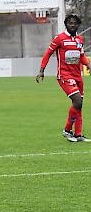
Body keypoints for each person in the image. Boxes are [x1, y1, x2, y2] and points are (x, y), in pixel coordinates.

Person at [37, 14, 90, 142]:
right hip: (64, 75)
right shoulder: (59, 38)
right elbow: (48, 54)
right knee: (77, 101)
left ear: (78, 25)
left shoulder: (79, 40)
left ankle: (78, 134)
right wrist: (42, 70)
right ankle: (67, 130)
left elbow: (81, 56)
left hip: (78, 76)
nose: (73, 25)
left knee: (79, 105)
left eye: (75, 23)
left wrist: (87, 64)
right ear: (66, 24)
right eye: (70, 23)